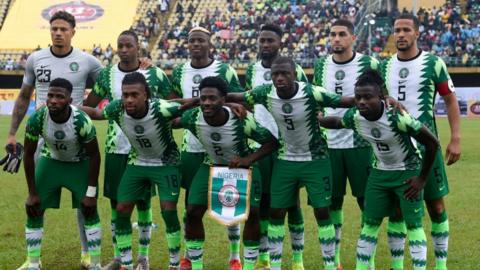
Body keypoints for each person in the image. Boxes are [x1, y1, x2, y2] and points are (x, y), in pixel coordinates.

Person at [226, 56, 355, 270]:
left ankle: (330, 265)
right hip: (285, 159)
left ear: (294, 74)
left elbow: (348, 101)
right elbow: (237, 96)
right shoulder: (265, 92)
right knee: (277, 212)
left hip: (316, 160)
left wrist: (385, 101)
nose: (279, 78)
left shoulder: (311, 92)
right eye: (275, 74)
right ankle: (274, 266)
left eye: (284, 73)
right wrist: (230, 103)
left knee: (322, 211)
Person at [6, 11, 103, 270]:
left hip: (78, 144)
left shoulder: (87, 61)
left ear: (73, 31)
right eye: (54, 29)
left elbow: (109, 84)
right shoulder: (36, 59)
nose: (58, 33)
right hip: (43, 142)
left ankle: (86, 254)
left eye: (63, 29)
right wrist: (13, 133)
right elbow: (25, 96)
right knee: (36, 198)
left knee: (85, 204)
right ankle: (33, 259)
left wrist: (86, 110)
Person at [317, 70, 440, 270]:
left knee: (414, 225)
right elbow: (338, 122)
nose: (362, 102)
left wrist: (422, 179)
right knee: (370, 225)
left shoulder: (397, 117)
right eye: (358, 97)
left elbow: (433, 143)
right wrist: (321, 120)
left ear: (381, 97)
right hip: (379, 174)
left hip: (407, 173)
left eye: (368, 97)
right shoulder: (356, 116)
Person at [81, 72, 189, 270]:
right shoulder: (117, 108)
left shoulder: (161, 108)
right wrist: (68, 107)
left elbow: (187, 107)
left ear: (146, 95)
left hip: (166, 164)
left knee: (168, 211)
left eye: (134, 94)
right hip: (137, 162)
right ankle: (127, 265)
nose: (129, 99)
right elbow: (96, 113)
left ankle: (174, 264)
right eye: (125, 94)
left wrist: (226, 104)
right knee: (121, 209)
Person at [84, 30, 172, 270]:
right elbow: (91, 106)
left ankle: (143, 257)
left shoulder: (154, 74)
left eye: (128, 46)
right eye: (120, 46)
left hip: (145, 151)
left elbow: (173, 103)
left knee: (143, 204)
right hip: (115, 148)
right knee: (116, 204)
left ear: (138, 48)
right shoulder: (107, 76)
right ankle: (120, 258)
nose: (123, 50)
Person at [381, 14, 461, 270]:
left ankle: (441, 265)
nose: (401, 34)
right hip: (394, 149)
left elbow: (450, 101)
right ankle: (397, 265)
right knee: (396, 209)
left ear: (417, 33)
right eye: (397, 30)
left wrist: (455, 138)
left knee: (436, 206)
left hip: (427, 146)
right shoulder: (383, 66)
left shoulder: (434, 63)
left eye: (406, 29)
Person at [173, 76, 278, 270]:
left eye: (212, 98)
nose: (206, 103)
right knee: (193, 211)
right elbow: (169, 111)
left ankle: (247, 265)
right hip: (211, 165)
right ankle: (195, 265)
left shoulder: (240, 120)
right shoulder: (192, 117)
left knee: (252, 213)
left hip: (243, 166)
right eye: (203, 98)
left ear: (223, 99)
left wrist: (248, 160)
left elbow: (271, 142)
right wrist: (194, 102)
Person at [168, 26, 244, 270]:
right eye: (192, 41)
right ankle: (190, 256)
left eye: (201, 40)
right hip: (192, 148)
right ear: (187, 44)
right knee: (192, 204)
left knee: (230, 203)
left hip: (222, 146)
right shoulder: (180, 70)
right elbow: (173, 102)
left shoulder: (224, 70)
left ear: (210, 44)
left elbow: (238, 100)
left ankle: (235, 256)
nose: (196, 44)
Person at [312, 19, 379, 269]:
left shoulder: (369, 63)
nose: (336, 39)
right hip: (329, 147)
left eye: (342, 34)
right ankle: (335, 262)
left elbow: (380, 98)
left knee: (366, 203)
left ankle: (367, 261)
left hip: (361, 144)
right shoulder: (321, 65)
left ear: (353, 38)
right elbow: (317, 98)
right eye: (332, 34)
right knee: (332, 204)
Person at [244, 24, 308, 269]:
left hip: (286, 147)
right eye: (262, 40)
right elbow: (248, 102)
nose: (265, 45)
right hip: (259, 144)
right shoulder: (251, 70)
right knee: (260, 202)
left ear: (280, 43)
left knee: (291, 203)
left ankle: (298, 260)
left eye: (270, 40)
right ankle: (263, 255)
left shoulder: (295, 70)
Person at [21, 78, 102, 270]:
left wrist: (91, 193)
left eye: (60, 96)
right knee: (34, 208)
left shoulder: (82, 121)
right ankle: (33, 263)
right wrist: (32, 193)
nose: (53, 100)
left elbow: (95, 156)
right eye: (50, 95)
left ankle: (94, 261)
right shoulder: (37, 118)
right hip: (51, 162)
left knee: (89, 210)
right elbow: (29, 154)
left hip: (79, 164)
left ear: (69, 100)